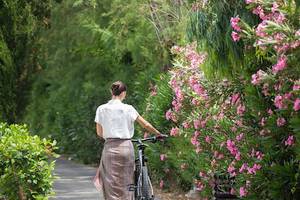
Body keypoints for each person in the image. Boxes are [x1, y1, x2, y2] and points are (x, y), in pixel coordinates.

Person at [93, 81, 161, 200]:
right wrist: (158, 133)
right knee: (127, 182)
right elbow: (145, 125)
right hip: (126, 148)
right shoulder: (128, 109)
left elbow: (99, 133)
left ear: (111, 92)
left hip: (110, 149)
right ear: (123, 93)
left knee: (110, 183)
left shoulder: (101, 109)